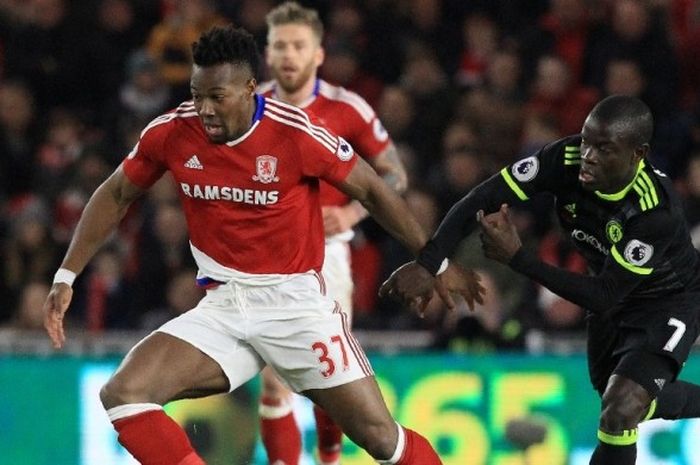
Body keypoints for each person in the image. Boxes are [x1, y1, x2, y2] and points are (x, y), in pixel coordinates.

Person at [42, 25, 482, 465]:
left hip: (295, 306)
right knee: (124, 393)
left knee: (381, 439)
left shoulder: (295, 133)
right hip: (225, 306)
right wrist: (67, 275)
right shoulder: (173, 131)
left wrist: (435, 261)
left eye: (218, 96)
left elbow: (372, 189)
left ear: (251, 88)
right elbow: (116, 193)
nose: (205, 109)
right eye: (198, 94)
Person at [381, 95, 700, 465]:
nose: (588, 155)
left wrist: (519, 259)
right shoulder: (563, 160)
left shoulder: (654, 210)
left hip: (667, 301)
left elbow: (605, 296)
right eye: (586, 141)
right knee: (617, 408)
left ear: (638, 154)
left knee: (621, 406)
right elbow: (483, 196)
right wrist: (428, 263)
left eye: (604, 148)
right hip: (609, 290)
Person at [255, 3, 408, 464]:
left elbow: (395, 176)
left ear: (318, 54)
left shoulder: (347, 108)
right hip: (266, 257)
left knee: (328, 377)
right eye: (280, 45)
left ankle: (329, 455)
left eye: (298, 46)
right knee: (273, 377)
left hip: (328, 256)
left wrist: (353, 214)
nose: (288, 55)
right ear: (267, 51)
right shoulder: (251, 106)